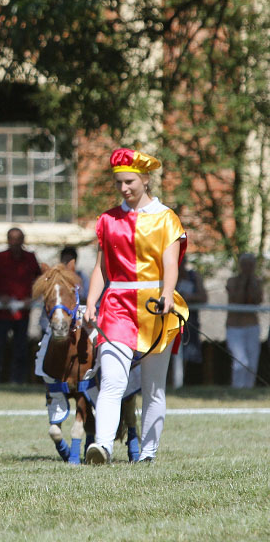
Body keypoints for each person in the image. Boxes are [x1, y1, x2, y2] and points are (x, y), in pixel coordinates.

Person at [83, 148, 188, 464]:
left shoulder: (166, 218)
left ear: (145, 179)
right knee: (112, 380)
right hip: (117, 306)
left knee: (152, 387)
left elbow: (171, 263)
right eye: (119, 183)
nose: (123, 188)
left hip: (155, 307)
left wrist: (168, 294)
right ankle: (101, 446)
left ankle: (147, 452)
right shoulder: (108, 220)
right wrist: (90, 301)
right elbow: (102, 268)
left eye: (129, 182)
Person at [0, 227, 42, 383]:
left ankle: (18, 381)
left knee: (20, 349)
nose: (15, 242)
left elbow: (39, 282)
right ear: (8, 240)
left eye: (19, 239)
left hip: (22, 313)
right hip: (1, 313)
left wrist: (31, 298)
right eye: (12, 238)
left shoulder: (30, 259)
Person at [33, 245, 89, 382]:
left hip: (77, 321)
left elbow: (86, 297)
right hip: (50, 325)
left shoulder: (82, 277)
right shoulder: (51, 278)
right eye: (65, 258)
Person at [225, 253, 263, 389]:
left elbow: (257, 300)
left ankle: (249, 388)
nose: (248, 268)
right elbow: (236, 298)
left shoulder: (257, 282)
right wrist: (243, 282)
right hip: (235, 327)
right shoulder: (232, 281)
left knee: (252, 362)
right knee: (240, 361)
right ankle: (237, 387)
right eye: (245, 265)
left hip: (252, 325)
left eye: (251, 265)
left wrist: (252, 283)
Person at [171, 256, 207, 388]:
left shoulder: (194, 276)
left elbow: (203, 297)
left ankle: (183, 383)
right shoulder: (168, 275)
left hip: (190, 323)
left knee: (189, 355)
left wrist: (189, 297)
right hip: (170, 322)